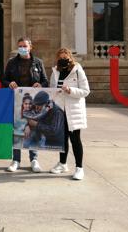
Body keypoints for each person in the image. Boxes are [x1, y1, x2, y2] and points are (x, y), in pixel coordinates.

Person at [3, 37, 48, 173]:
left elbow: (45, 81)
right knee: (17, 128)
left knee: (32, 128)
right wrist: (9, 83)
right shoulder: (12, 63)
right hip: (16, 101)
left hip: (33, 102)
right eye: (20, 46)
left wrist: (40, 84)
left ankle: (34, 159)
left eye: (24, 46)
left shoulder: (38, 62)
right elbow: (4, 80)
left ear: (30, 47)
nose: (22, 48)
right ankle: (16, 160)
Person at [48, 47, 90, 180]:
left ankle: (79, 168)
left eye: (65, 57)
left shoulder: (77, 70)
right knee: (62, 139)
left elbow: (85, 91)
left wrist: (70, 90)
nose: (63, 59)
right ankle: (62, 163)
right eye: (60, 57)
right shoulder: (55, 71)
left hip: (73, 110)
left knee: (75, 139)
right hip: (60, 110)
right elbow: (51, 89)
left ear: (70, 57)